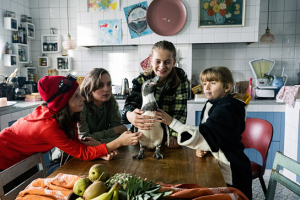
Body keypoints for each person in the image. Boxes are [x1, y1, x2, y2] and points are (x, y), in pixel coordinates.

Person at [0, 74, 142, 176]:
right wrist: (119, 142)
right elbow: (82, 153)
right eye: (76, 96)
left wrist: (99, 150)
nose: (82, 99)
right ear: (63, 103)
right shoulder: (47, 126)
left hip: (23, 157)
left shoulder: (69, 115)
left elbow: (75, 143)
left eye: (80, 94)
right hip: (4, 157)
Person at [155, 67, 252, 199]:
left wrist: (172, 122)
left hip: (231, 169)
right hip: (220, 161)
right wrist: (204, 147)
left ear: (227, 87)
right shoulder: (214, 103)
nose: (206, 87)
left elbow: (206, 134)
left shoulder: (228, 108)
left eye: (213, 83)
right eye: (205, 83)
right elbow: (214, 135)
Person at [121, 40, 189, 148]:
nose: (162, 66)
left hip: (167, 137)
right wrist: (129, 115)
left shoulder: (180, 78)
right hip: (141, 135)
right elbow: (130, 103)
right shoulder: (141, 80)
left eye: (167, 62)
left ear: (174, 61)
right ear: (151, 60)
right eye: (158, 61)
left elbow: (180, 110)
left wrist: (174, 136)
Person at [79, 68, 127, 142]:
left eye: (109, 84)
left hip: (103, 150)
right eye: (100, 85)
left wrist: (99, 143)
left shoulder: (111, 103)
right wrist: (115, 130)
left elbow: (120, 135)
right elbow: (84, 139)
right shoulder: (80, 105)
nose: (106, 89)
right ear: (89, 88)